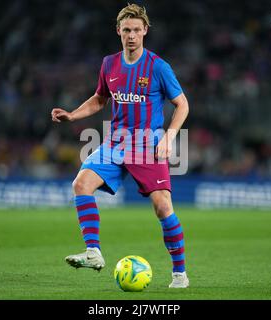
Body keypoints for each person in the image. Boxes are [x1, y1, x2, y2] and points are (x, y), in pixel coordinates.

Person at [51, 4, 190, 288]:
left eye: (137, 30)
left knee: (163, 207)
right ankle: (93, 253)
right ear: (118, 31)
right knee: (81, 184)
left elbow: (182, 104)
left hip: (146, 145)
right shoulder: (109, 64)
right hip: (116, 142)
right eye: (126, 30)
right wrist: (72, 115)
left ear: (145, 31)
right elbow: (100, 99)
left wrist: (169, 137)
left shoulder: (158, 67)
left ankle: (180, 274)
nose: (131, 36)